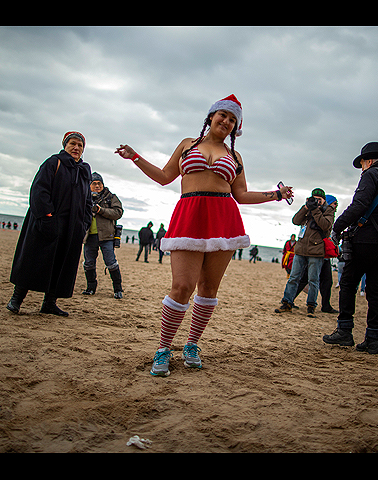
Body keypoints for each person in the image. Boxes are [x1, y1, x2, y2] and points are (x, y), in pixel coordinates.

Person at [115, 94, 293, 377]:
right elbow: (164, 177)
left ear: (236, 127)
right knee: (182, 287)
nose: (227, 121)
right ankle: (163, 348)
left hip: (223, 220)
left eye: (233, 120)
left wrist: (276, 195)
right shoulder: (188, 144)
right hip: (190, 215)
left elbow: (242, 195)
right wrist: (135, 156)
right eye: (223, 115)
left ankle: (192, 344)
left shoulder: (235, 156)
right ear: (211, 116)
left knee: (208, 289)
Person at [323, 142, 378, 354]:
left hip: (366, 239)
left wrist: (337, 227)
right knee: (377, 290)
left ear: (368, 160)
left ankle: (344, 331)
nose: (362, 168)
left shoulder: (371, 174)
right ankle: (374, 338)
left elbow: (359, 205)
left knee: (349, 283)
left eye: (362, 164)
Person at [7, 131, 92, 316]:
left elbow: (87, 200)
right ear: (65, 145)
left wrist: (85, 222)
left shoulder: (85, 170)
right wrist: (47, 216)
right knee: (34, 259)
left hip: (72, 226)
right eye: (73, 144)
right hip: (48, 221)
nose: (76, 148)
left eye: (80, 145)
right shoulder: (53, 162)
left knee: (62, 264)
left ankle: (49, 303)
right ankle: (16, 299)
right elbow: (39, 190)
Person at [275, 190, 336, 318]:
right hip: (301, 249)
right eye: (314, 199)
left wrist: (315, 210)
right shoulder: (308, 208)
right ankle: (287, 303)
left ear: (324, 200)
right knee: (293, 278)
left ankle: (311, 306)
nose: (317, 202)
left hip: (316, 251)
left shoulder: (328, 211)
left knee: (313, 280)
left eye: (319, 199)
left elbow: (325, 226)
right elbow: (296, 220)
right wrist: (306, 207)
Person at [81, 172, 125, 299]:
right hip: (89, 236)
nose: (96, 186)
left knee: (111, 263)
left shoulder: (110, 197)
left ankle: (118, 289)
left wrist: (101, 210)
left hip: (107, 236)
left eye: (99, 183)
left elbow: (118, 212)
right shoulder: (84, 197)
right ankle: (90, 288)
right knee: (88, 263)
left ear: (103, 184)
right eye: (94, 183)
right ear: (89, 185)